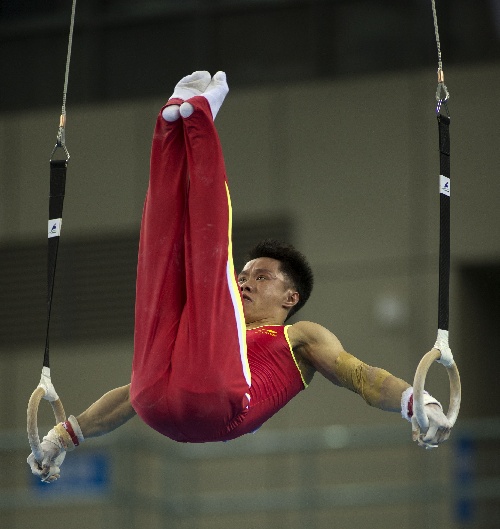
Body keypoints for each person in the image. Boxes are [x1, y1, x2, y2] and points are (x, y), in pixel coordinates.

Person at [28, 71, 452, 483]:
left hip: (219, 400)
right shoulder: (207, 328)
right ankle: (172, 124)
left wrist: (415, 402)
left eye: (262, 277)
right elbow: (128, 398)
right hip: (157, 400)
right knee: (160, 259)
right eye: (245, 275)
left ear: (291, 297)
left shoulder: (300, 337)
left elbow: (361, 376)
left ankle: (199, 122)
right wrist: (62, 436)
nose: (245, 282)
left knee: (204, 259)